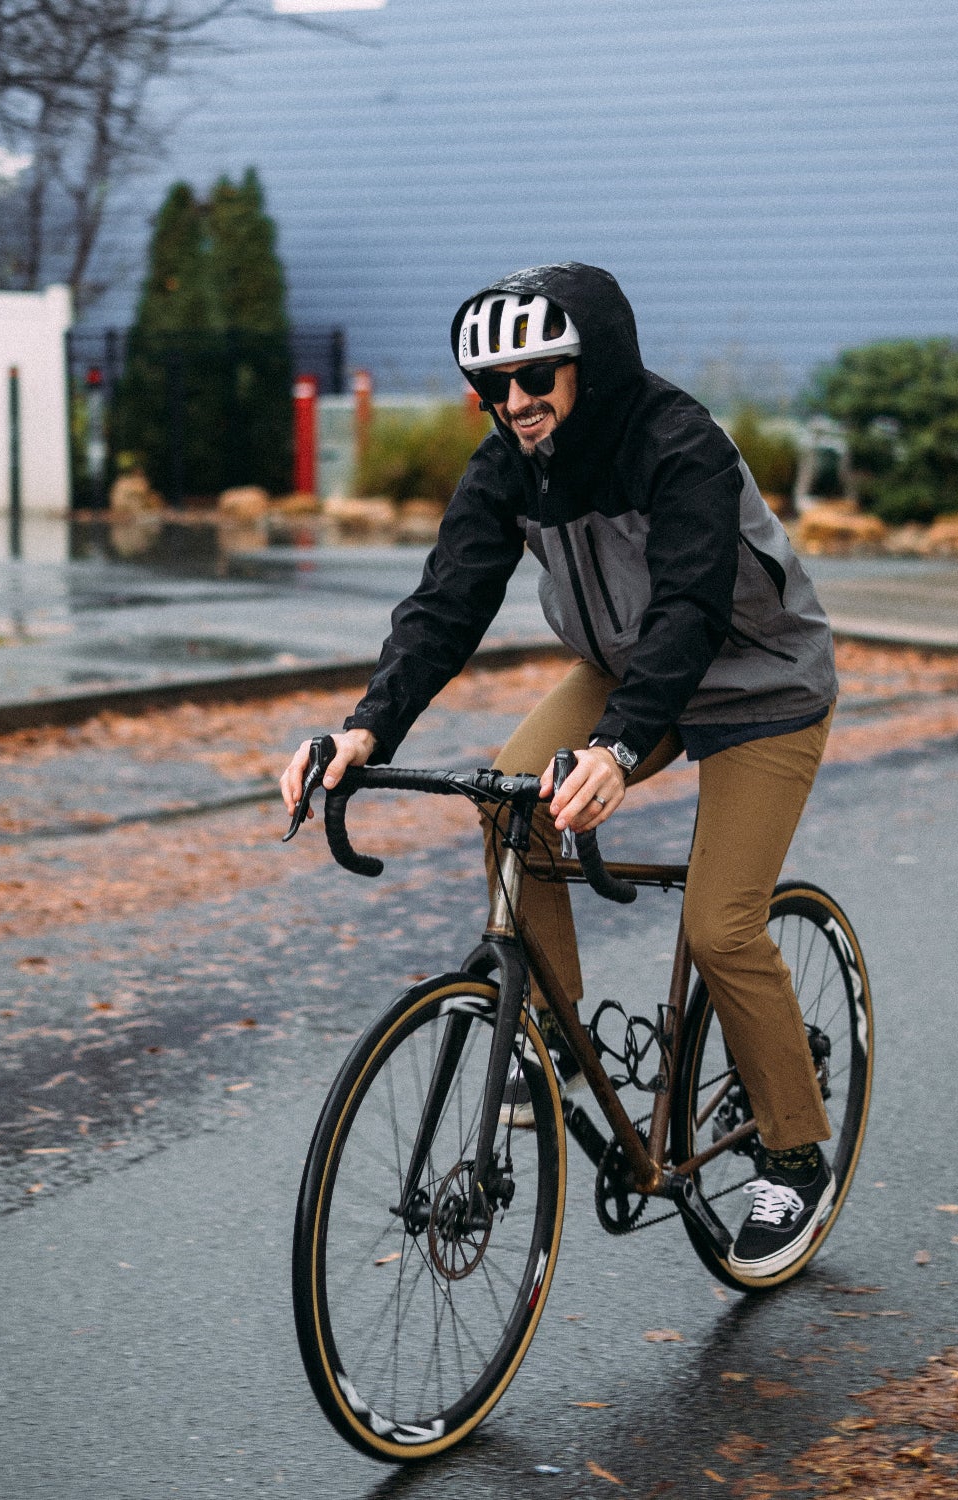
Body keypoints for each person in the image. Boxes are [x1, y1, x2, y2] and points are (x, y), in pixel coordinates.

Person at [281, 263, 839, 1277]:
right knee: (510, 794)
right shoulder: (511, 463)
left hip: (758, 684)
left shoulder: (679, 444)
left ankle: (795, 1151)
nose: (517, 401)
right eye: (494, 386)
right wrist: (367, 730)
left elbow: (689, 613)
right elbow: (446, 601)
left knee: (720, 924)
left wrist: (619, 751)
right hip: (631, 672)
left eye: (537, 373)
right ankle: (549, 1031)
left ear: (594, 363)